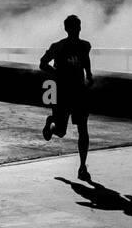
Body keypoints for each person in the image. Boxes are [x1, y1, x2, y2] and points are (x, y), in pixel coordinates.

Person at [39, 14, 95, 182]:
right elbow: (42, 63)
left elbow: (86, 63)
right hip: (62, 92)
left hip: (79, 91)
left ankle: (82, 167)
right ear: (69, 29)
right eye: (75, 27)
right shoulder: (58, 47)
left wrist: (89, 75)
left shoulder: (85, 46)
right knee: (61, 131)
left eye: (78, 27)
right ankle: (51, 123)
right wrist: (57, 74)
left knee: (83, 129)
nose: (77, 30)